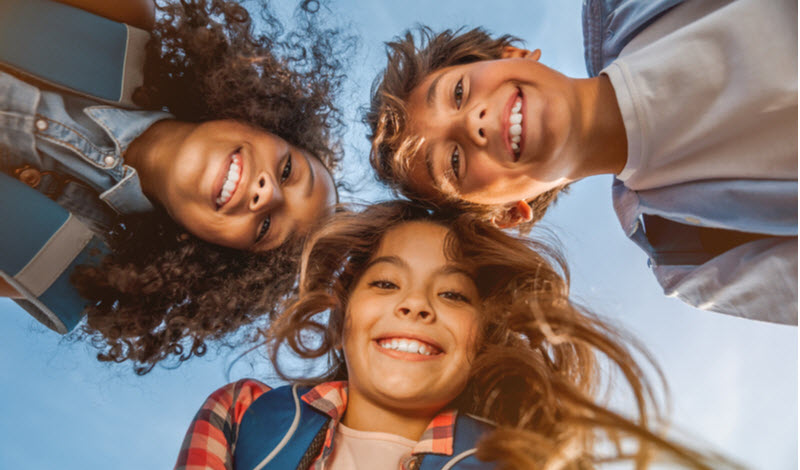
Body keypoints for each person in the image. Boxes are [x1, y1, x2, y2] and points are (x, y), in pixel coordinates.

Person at [174, 201, 730, 469]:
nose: (415, 304)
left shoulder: (522, 461)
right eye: (387, 282)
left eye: (453, 294)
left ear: (484, 338)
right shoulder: (244, 414)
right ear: (343, 317)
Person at [365, 0, 797, 324]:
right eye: (454, 162)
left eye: (458, 93)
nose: (473, 123)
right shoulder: (689, 257)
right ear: (505, 214)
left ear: (510, 53)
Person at [0, 0, 345, 373]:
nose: (267, 194)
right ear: (262, 120)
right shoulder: (119, 23)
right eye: (288, 169)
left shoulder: (62, 266)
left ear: (219, 255)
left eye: (265, 228)